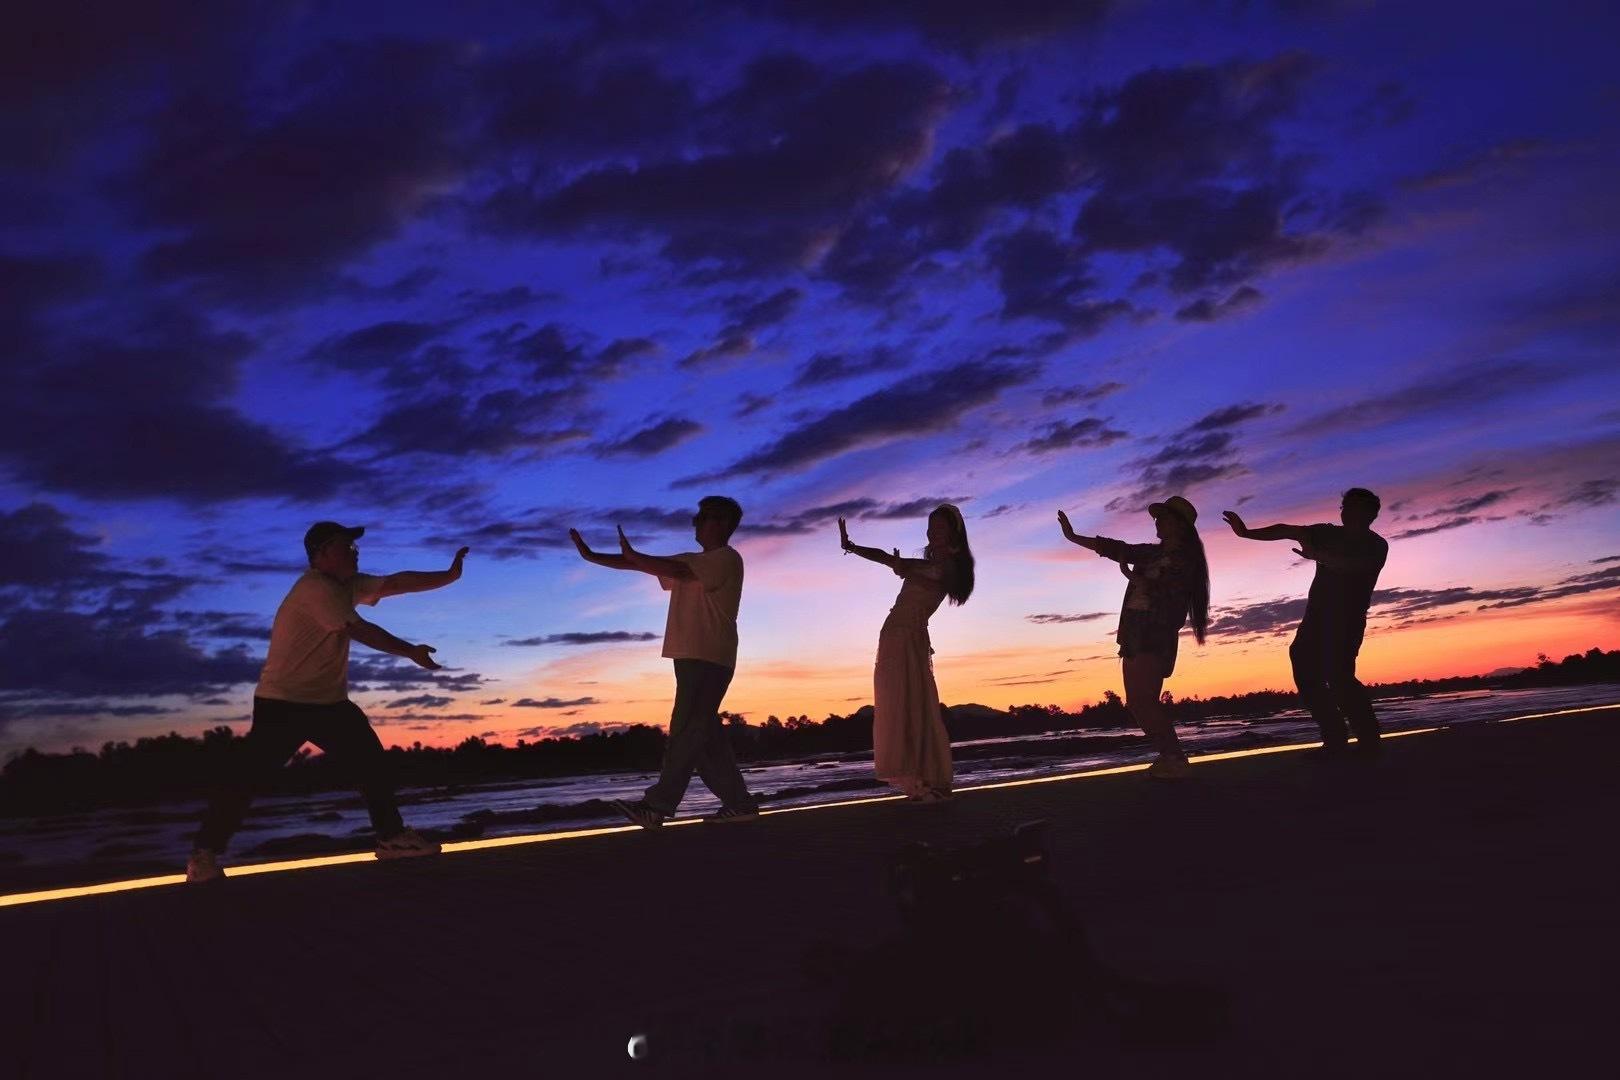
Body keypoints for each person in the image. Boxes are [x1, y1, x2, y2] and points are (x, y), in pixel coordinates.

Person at [186, 523, 468, 883]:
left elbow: (394, 583)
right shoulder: (315, 588)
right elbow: (359, 630)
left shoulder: (345, 585)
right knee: (249, 778)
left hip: (329, 704)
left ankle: (392, 838)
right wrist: (409, 651)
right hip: (283, 702)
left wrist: (449, 575)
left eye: (354, 545)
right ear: (321, 554)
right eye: (345, 545)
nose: (354, 550)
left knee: (370, 762)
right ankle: (203, 856)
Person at [571, 496, 760, 827]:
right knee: (703, 736)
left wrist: (634, 556)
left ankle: (657, 806)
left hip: (707, 655)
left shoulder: (725, 558)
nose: (696, 524)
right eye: (697, 518)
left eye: (702, 518)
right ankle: (739, 803)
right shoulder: (694, 560)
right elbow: (639, 564)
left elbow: (673, 569)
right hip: (693, 656)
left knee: (686, 729)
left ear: (721, 523)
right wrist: (591, 556)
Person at [1223, 488, 1388, 756]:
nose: (1348, 512)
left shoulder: (1376, 545)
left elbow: (1353, 566)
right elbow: (1287, 530)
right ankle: (1334, 736)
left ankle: (1368, 737)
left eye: (1356, 507)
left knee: (1339, 676)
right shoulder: (1327, 532)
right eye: (1346, 506)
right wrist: (1247, 533)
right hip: (1316, 617)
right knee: (1305, 668)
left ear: (1371, 514)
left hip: (1347, 619)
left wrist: (1317, 556)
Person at [1058, 496, 1210, 779]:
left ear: (1179, 525)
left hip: (1154, 635)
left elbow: (1171, 596)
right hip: (1135, 634)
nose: (1157, 522)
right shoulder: (1152, 554)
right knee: (1139, 701)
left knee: (1143, 700)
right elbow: (1116, 549)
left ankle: (1174, 759)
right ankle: (1171, 757)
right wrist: (1073, 536)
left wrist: (1140, 579)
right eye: (1157, 518)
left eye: (1163, 518)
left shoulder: (1185, 562)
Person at [839, 504, 975, 803]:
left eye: (939, 527)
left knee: (914, 703)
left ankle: (931, 782)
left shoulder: (954, 565)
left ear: (953, 532)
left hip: (910, 635)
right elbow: (884, 557)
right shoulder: (918, 564)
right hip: (894, 634)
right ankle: (919, 780)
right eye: (930, 527)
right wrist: (851, 546)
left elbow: (946, 585)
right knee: (897, 703)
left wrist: (908, 571)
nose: (932, 532)